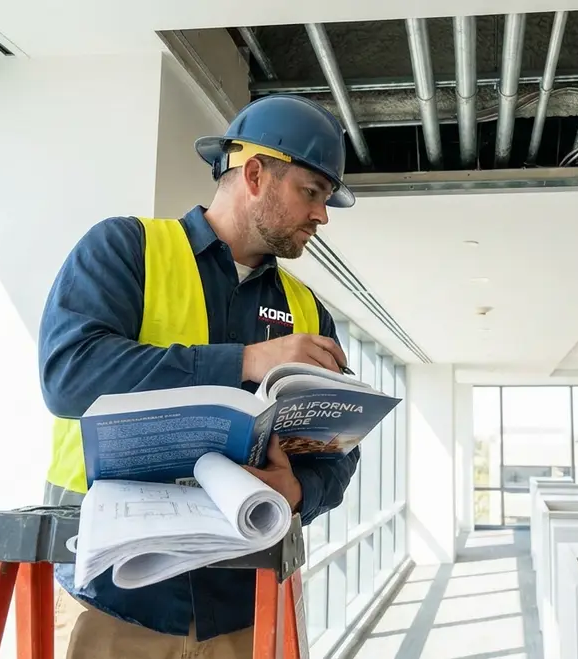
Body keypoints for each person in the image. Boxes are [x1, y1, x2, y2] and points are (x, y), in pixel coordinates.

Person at [36, 93, 361, 659]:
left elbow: (337, 448)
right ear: (254, 175)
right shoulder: (127, 249)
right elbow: (70, 377)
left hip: (248, 606)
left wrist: (299, 491)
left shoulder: (309, 311)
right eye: (311, 192)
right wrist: (245, 361)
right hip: (112, 598)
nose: (322, 215)